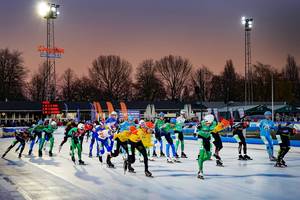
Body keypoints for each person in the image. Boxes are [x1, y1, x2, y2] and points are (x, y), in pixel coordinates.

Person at [194, 114, 217, 179]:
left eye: (208, 123)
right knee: (201, 154)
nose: (206, 123)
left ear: (212, 121)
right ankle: (201, 171)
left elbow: (215, 130)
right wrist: (195, 132)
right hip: (200, 137)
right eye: (206, 122)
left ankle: (200, 161)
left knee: (208, 156)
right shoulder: (202, 122)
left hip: (207, 138)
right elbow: (196, 127)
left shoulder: (214, 123)